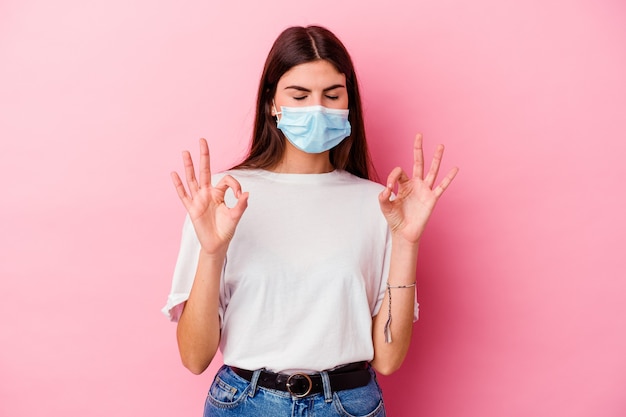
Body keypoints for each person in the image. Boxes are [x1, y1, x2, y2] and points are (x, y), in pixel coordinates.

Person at [162, 25, 458, 417]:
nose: (316, 108)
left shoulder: (380, 204)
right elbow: (195, 358)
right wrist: (213, 251)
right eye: (299, 95)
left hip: (348, 405)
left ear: (348, 103)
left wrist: (407, 240)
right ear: (272, 102)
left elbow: (388, 359)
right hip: (245, 404)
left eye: (331, 95)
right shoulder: (222, 197)